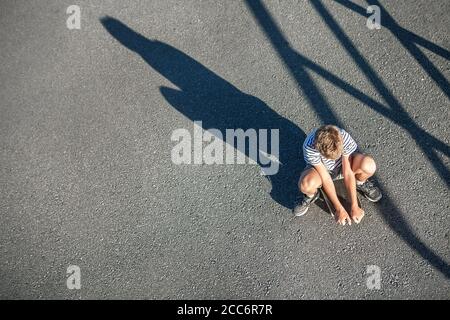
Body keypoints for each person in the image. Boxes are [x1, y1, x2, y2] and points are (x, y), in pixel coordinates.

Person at [293, 125, 382, 225]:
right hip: (323, 170)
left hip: (345, 166)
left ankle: (360, 182)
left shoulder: (343, 137)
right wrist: (339, 209)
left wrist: (354, 205)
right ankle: (311, 195)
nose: (334, 160)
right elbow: (325, 177)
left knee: (369, 165)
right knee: (305, 185)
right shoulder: (310, 146)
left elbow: (347, 171)